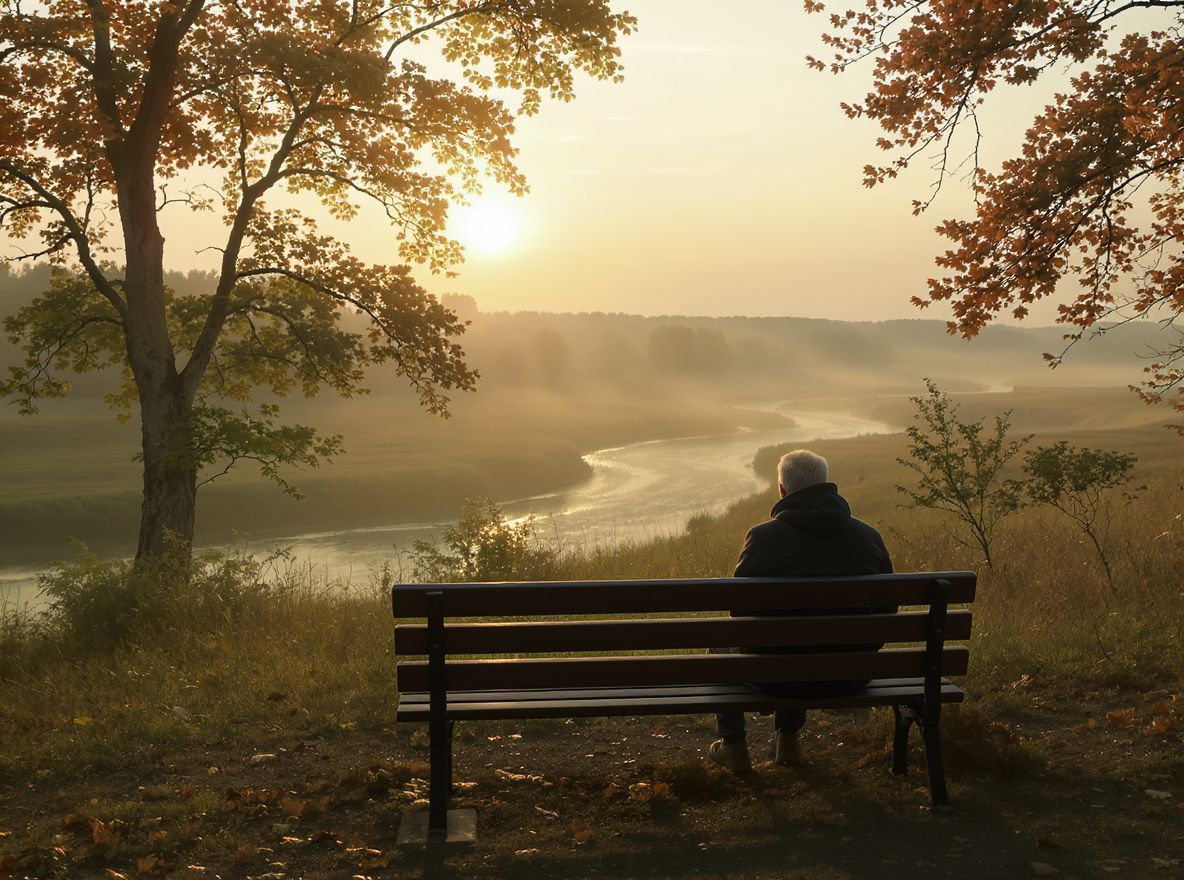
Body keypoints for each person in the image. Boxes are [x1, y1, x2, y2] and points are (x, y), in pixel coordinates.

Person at [708, 449, 893, 774]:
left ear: (782, 490)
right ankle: (789, 741)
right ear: (826, 484)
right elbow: (888, 614)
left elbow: (738, 614)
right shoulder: (868, 537)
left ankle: (734, 746)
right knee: (807, 639)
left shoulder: (762, 538)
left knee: (721, 648)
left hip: (776, 678)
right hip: (850, 674)